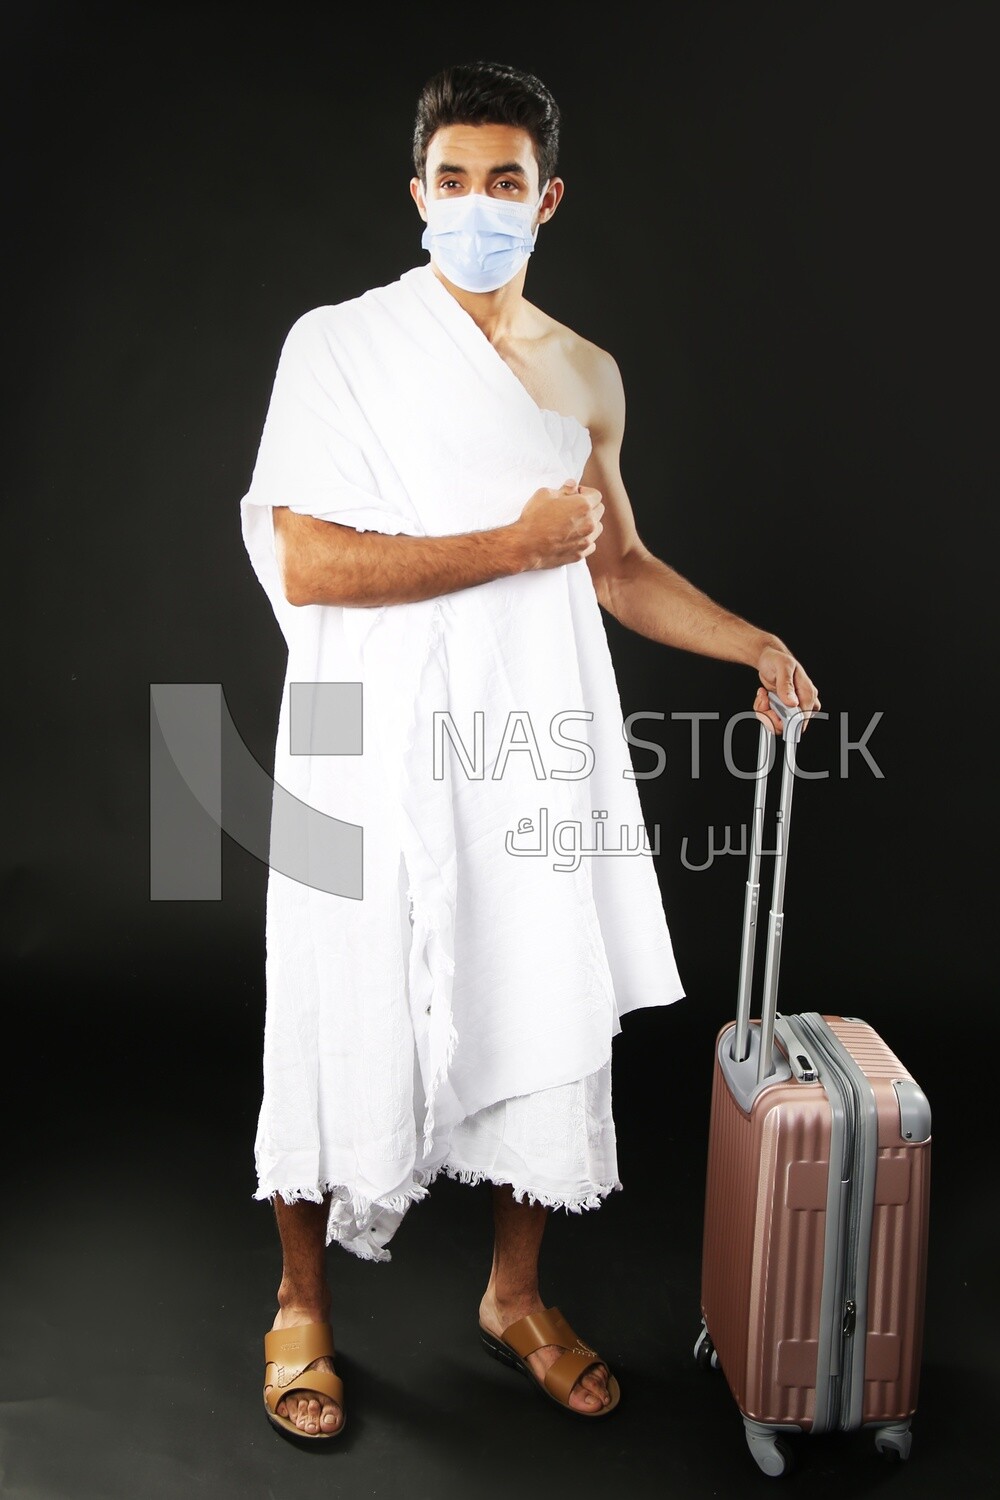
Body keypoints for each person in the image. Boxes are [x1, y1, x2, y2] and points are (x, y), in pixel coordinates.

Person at [239, 59, 820, 1444]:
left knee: (535, 983)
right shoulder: (339, 345)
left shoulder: (583, 376)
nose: (479, 205)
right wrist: (506, 548)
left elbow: (616, 569)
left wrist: (751, 644)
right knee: (330, 986)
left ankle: (513, 1296)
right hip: (352, 729)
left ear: (545, 200)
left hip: (522, 728)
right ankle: (300, 1300)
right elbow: (306, 558)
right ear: (419, 195)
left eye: (507, 183)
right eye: (454, 181)